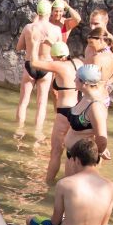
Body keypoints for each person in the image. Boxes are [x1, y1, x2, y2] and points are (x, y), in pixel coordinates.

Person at [27, 139, 113, 225]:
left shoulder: (64, 184)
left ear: (77, 160)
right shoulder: (111, 186)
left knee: (31, 220)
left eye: (71, 158)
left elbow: (55, 221)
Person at [28, 41, 82, 184]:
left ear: (57, 57)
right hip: (79, 110)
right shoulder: (78, 63)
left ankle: (48, 183)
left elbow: (34, 63)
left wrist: (34, 43)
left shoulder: (59, 65)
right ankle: (74, 183)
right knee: (74, 152)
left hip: (65, 112)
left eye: (53, 58)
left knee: (56, 152)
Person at [15, 0, 61, 132]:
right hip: (46, 66)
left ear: (37, 12)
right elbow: (60, 51)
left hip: (30, 65)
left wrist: (30, 44)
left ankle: (18, 131)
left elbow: (19, 47)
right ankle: (37, 133)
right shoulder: (56, 29)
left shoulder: (28, 28)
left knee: (23, 102)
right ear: (50, 12)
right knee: (42, 103)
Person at [60, 64, 110, 179]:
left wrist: (98, 153)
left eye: (76, 78)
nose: (74, 80)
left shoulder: (96, 106)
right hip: (73, 156)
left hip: (83, 161)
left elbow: (102, 138)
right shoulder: (85, 97)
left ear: (85, 83)